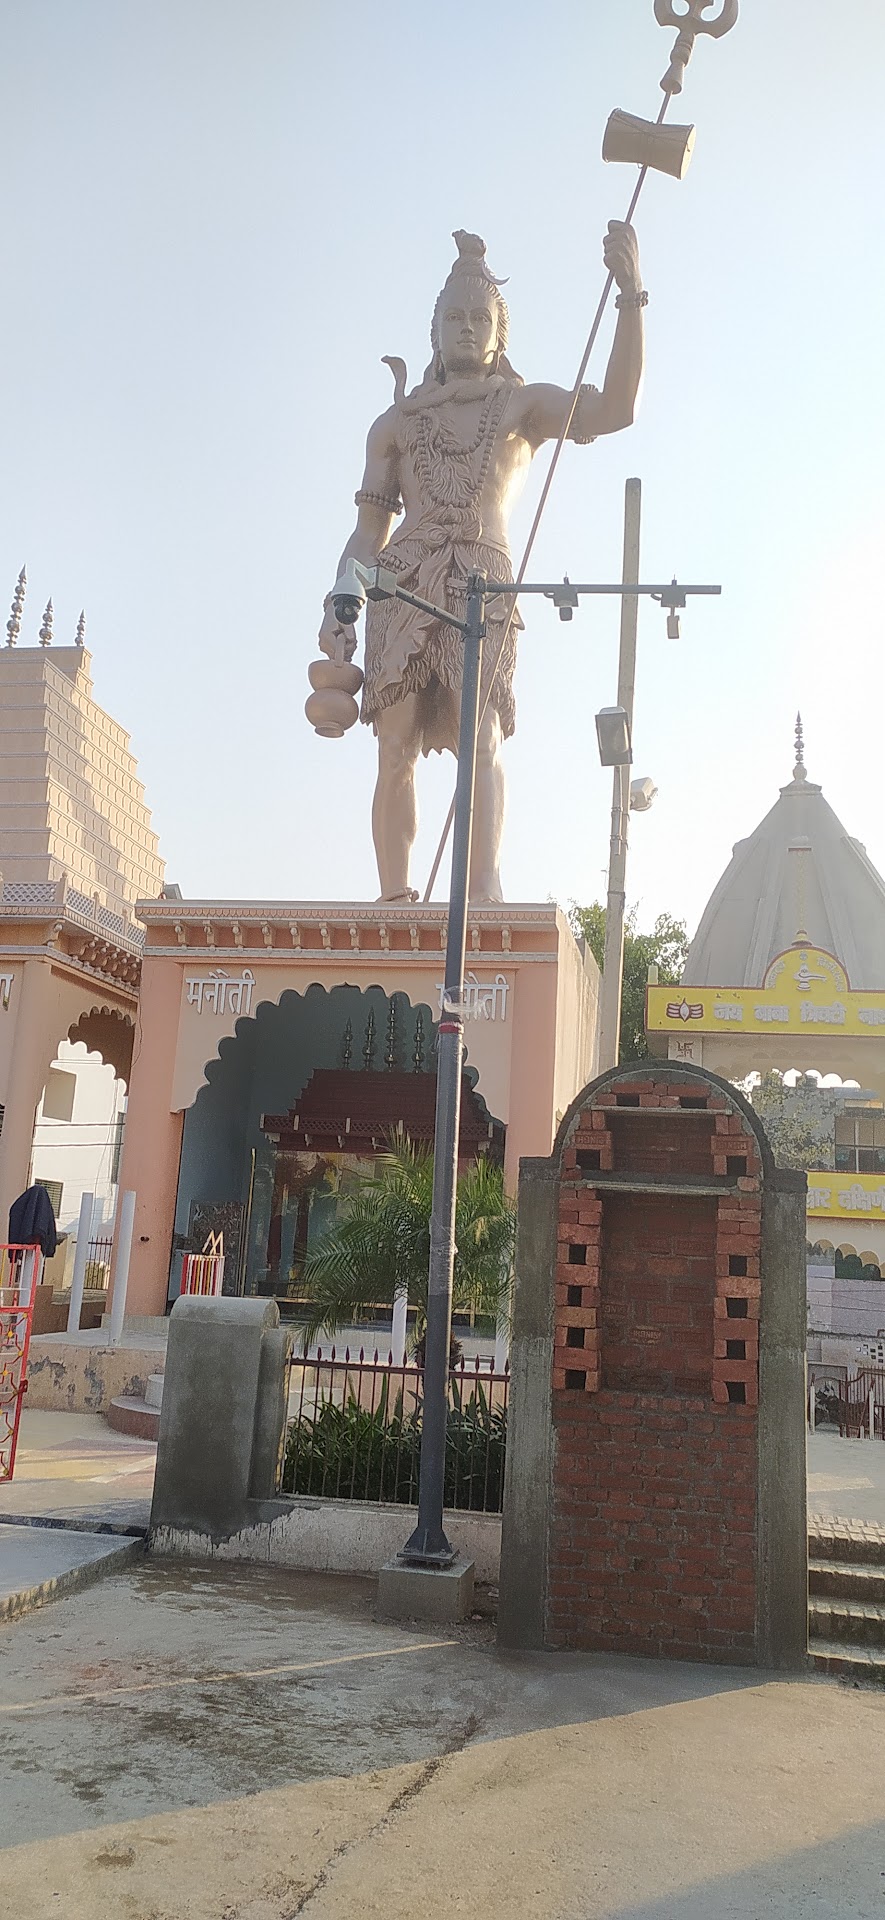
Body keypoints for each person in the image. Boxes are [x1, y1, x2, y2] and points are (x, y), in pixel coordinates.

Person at [319, 223, 645, 903]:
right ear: (434, 333)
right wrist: (339, 600)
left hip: (483, 583)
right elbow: (369, 529)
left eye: (479, 318)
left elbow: (616, 409)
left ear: (499, 335)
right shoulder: (395, 424)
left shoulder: (522, 407)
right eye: (453, 318)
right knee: (394, 746)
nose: (465, 328)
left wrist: (629, 296)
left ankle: (482, 892)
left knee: (483, 735)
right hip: (401, 583)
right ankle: (393, 898)